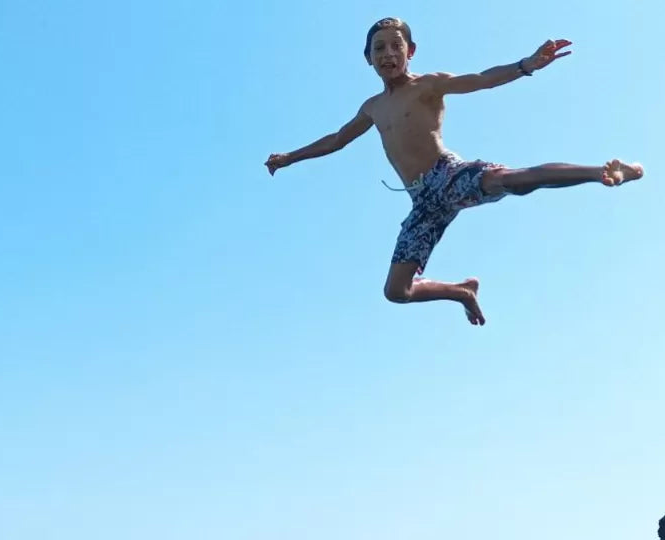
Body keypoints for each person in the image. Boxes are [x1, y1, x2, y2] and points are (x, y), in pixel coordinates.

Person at [264, 16, 644, 326]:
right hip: (422, 202)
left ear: (410, 52)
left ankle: (603, 171)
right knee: (396, 291)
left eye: (396, 46)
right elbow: (335, 140)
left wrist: (526, 65)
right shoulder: (372, 108)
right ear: (368, 58)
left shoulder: (429, 86)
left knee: (509, 180)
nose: (388, 53)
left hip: (446, 175)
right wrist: (288, 158)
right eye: (379, 48)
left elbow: (480, 79)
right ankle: (462, 291)